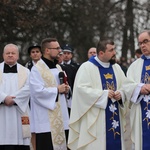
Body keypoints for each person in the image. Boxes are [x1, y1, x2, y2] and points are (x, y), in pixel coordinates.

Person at [68, 39, 127, 150]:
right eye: (111, 50)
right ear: (101, 53)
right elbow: (81, 90)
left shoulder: (116, 68)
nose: (114, 53)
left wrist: (121, 94)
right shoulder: (86, 67)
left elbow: (125, 87)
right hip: (96, 119)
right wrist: (103, 95)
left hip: (115, 116)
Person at [29, 38, 70, 150]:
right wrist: (57, 90)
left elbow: (63, 88)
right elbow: (37, 92)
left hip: (62, 118)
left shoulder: (58, 67)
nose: (60, 51)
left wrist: (67, 89)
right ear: (47, 50)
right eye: (56, 48)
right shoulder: (36, 69)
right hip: (46, 121)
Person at [0, 44, 30, 150]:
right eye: (8, 53)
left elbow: (28, 88)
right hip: (1, 112)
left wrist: (14, 99)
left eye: (13, 53)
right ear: (3, 55)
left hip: (19, 112)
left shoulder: (26, 71)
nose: (10, 55)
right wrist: (4, 98)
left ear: (17, 55)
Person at [124, 30, 150, 150]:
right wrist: (140, 88)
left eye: (145, 41)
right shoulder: (135, 66)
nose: (143, 46)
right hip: (141, 113)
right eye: (140, 43)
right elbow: (127, 85)